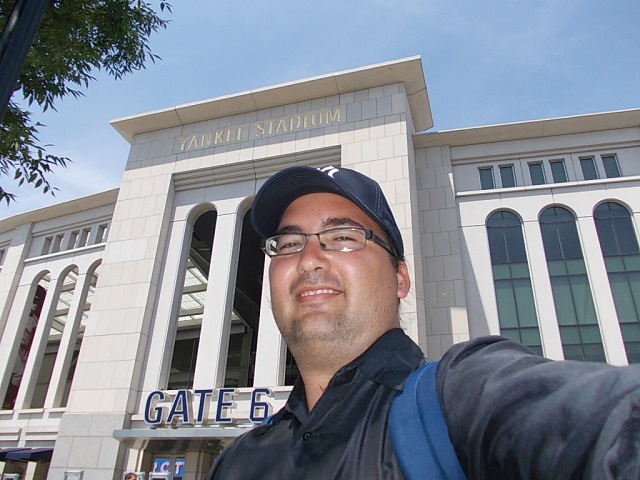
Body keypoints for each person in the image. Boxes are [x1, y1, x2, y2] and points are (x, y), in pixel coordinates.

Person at [206, 165, 640, 479]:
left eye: (342, 237)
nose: (309, 258)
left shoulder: (456, 399)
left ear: (400, 277)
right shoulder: (238, 462)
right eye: (289, 242)